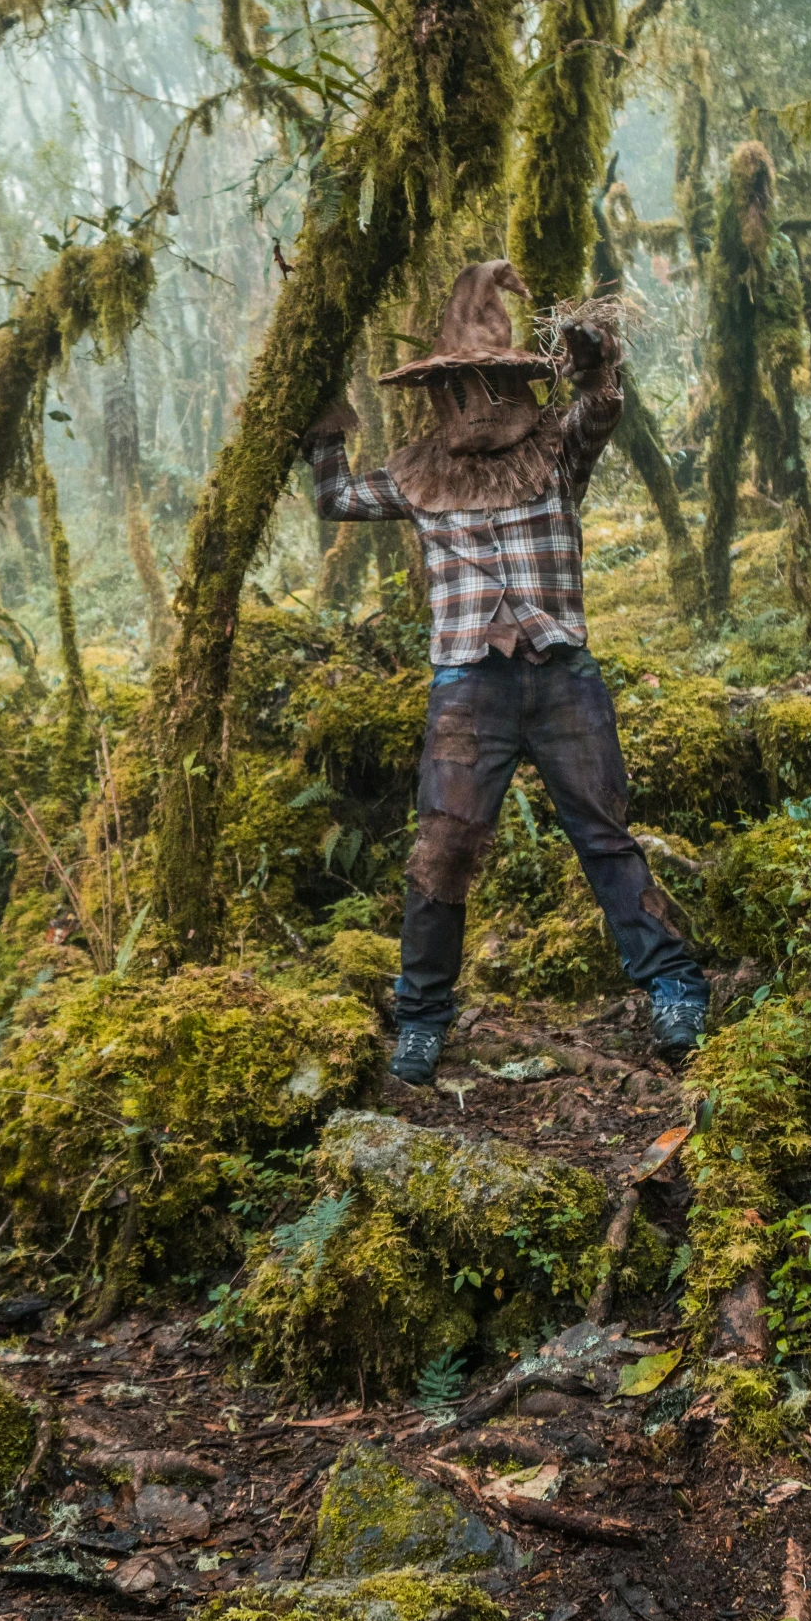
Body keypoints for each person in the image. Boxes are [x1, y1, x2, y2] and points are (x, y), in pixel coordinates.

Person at [302, 259, 710, 1086]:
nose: (478, 398)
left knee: (602, 833)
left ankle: (672, 987)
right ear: (438, 394)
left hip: (562, 674)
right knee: (442, 849)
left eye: (492, 380)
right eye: (461, 385)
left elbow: (601, 408)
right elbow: (336, 498)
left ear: (517, 381)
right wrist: (320, 416)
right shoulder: (418, 472)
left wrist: (591, 350)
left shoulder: (555, 450)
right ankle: (420, 1018)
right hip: (467, 687)